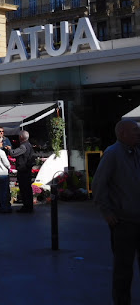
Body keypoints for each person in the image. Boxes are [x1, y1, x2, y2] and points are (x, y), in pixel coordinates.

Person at [92, 119, 140, 305]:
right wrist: (107, 211)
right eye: (135, 131)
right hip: (124, 221)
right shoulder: (112, 154)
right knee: (123, 268)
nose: (138, 133)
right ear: (122, 134)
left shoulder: (136, 152)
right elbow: (98, 185)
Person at [6, 130, 34, 213]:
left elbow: (14, 153)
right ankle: (29, 206)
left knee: (24, 189)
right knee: (27, 189)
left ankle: (26, 207)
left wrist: (10, 149)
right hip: (27, 170)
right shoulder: (29, 145)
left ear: (21, 137)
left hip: (23, 170)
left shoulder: (23, 146)